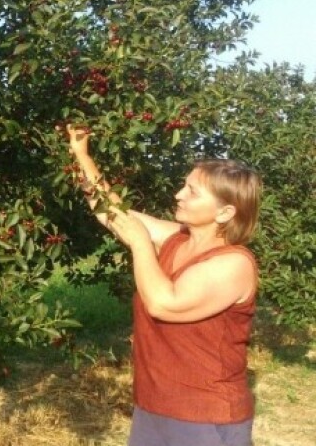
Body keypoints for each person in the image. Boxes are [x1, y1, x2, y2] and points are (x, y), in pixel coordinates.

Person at [66, 125, 262, 446]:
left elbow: (163, 303)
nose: (178, 195)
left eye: (192, 192)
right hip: (153, 407)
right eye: (184, 186)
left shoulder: (234, 265)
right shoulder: (175, 239)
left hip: (205, 419)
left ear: (225, 212)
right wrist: (82, 157)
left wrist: (141, 244)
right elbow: (113, 213)